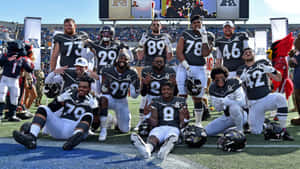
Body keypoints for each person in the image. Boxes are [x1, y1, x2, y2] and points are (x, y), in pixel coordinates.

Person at [13, 77, 98, 150]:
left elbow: (95, 125)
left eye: (85, 87)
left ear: (90, 89)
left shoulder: (93, 100)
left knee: (88, 115)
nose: (81, 89)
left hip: (75, 129)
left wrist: (95, 109)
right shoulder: (70, 95)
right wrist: (58, 100)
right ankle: (31, 138)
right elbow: (50, 109)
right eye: (80, 86)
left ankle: (73, 140)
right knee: (42, 108)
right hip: (60, 126)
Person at [237, 48, 293, 140]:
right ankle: (266, 125)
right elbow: (239, 88)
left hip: (266, 98)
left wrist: (273, 70)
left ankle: (283, 129)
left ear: (254, 54)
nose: (248, 53)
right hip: (253, 103)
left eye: (250, 52)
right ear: (242, 57)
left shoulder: (262, 63)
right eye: (245, 53)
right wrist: (239, 81)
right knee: (256, 131)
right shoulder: (241, 69)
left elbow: (278, 78)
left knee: (280, 98)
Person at [131, 82, 189, 160]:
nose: (166, 91)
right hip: (159, 127)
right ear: (161, 91)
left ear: (173, 90)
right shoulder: (156, 100)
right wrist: (147, 115)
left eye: (168, 89)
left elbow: (183, 122)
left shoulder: (180, 100)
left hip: (174, 127)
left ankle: (164, 150)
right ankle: (147, 149)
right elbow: (154, 122)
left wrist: (185, 118)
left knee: (171, 138)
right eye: (164, 89)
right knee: (153, 138)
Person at [176, 15, 214, 127]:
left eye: (199, 22)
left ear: (202, 23)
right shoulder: (186, 34)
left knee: (198, 96)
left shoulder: (209, 35)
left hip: (200, 68)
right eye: (194, 23)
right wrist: (186, 66)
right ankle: (183, 120)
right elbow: (179, 52)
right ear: (191, 24)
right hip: (184, 67)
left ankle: (198, 122)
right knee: (182, 95)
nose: (197, 24)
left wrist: (204, 37)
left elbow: (205, 53)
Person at [137, 20, 173, 132]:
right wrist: (141, 44)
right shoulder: (146, 37)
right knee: (145, 95)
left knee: (164, 93)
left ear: (161, 26)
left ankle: (163, 119)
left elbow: (170, 57)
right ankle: (141, 120)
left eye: (158, 24)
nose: (156, 26)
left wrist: (169, 46)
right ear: (151, 26)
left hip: (162, 68)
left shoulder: (165, 37)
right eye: (154, 24)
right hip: (148, 68)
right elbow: (139, 56)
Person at [98, 52, 140, 141]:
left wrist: (137, 87)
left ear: (129, 62)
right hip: (110, 98)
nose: (122, 61)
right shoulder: (107, 70)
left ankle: (115, 120)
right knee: (103, 99)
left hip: (122, 100)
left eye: (125, 59)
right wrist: (105, 86)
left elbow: (134, 96)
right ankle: (103, 129)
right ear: (116, 60)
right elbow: (102, 90)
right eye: (121, 58)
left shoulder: (132, 73)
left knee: (125, 130)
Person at [135, 56, 176, 130]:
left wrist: (174, 85)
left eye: (161, 62)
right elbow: (143, 93)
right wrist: (146, 84)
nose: (159, 63)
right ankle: (142, 121)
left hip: (164, 98)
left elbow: (175, 93)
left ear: (164, 63)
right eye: (157, 62)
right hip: (151, 97)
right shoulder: (146, 71)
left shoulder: (170, 71)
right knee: (144, 98)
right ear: (153, 63)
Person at [205, 66, 247, 136]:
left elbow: (242, 102)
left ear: (226, 77)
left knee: (234, 108)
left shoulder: (234, 82)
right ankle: (232, 129)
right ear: (213, 80)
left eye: (222, 77)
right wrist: (221, 103)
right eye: (217, 79)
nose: (220, 80)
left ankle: (240, 131)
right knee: (207, 131)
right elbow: (218, 109)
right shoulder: (212, 88)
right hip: (227, 116)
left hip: (243, 114)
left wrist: (227, 101)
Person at [0, 40, 34, 122]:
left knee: (15, 97)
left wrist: (30, 65)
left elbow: (29, 68)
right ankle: (0, 114)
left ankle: (12, 115)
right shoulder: (5, 56)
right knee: (1, 96)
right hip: (5, 79)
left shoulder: (22, 59)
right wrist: (8, 59)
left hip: (15, 80)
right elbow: (0, 63)